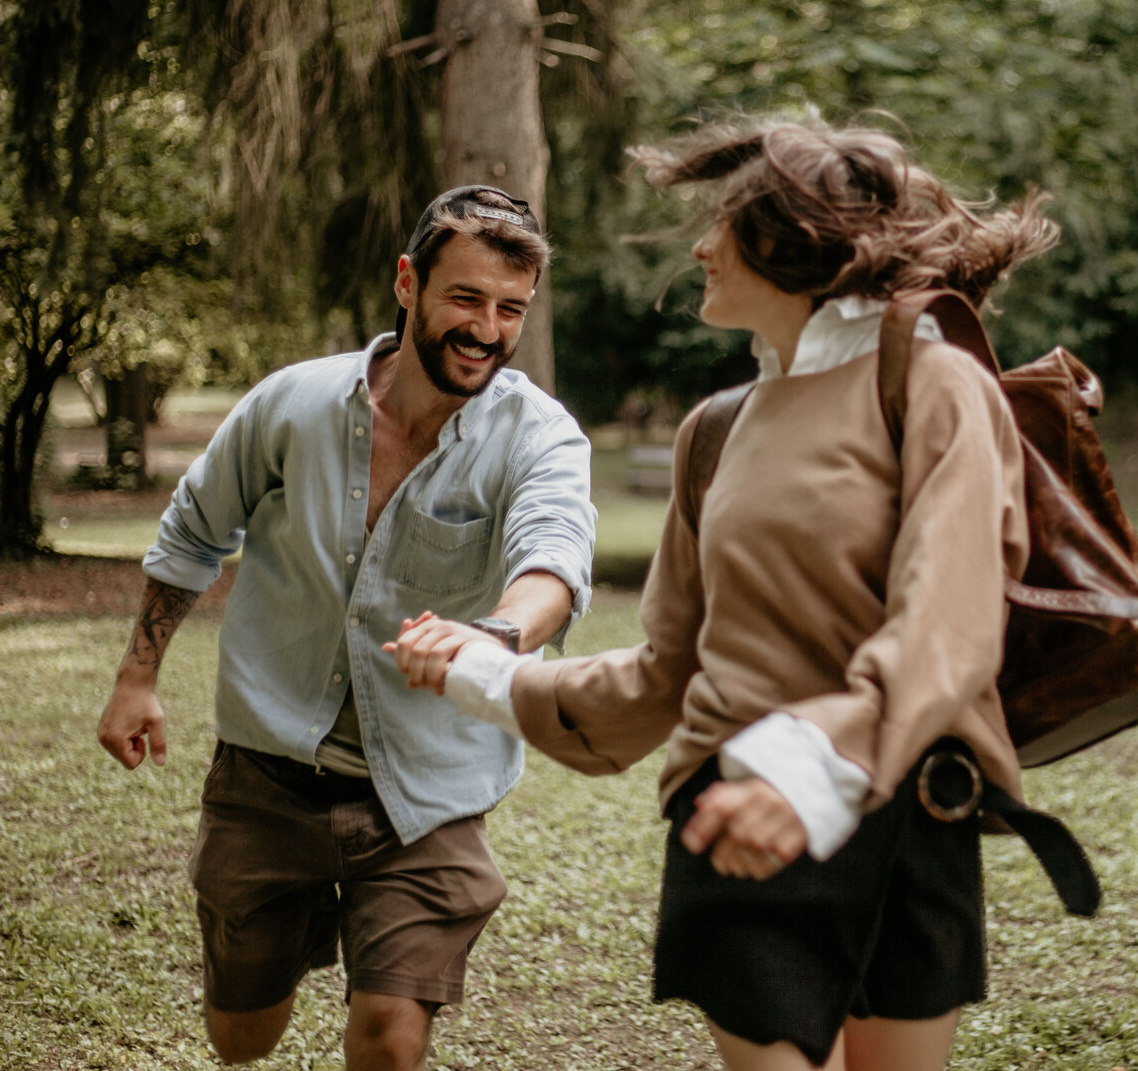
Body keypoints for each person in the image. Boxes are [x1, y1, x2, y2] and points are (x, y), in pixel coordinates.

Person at [390, 121, 1058, 1071]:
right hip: (735, 814)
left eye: (724, 225)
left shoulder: (935, 381)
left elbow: (948, 619)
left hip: (909, 809)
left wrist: (816, 761)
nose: (701, 247)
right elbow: (669, 672)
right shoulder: (715, 431)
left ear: (792, 240)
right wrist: (489, 674)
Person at [96, 185, 596, 1070]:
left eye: (511, 309)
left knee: (391, 1033)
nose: (487, 329)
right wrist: (137, 678)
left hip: (427, 795)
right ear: (408, 283)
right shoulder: (293, 403)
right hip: (267, 773)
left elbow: (553, 557)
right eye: (466, 298)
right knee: (241, 1036)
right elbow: (194, 531)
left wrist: (497, 636)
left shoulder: (539, 436)